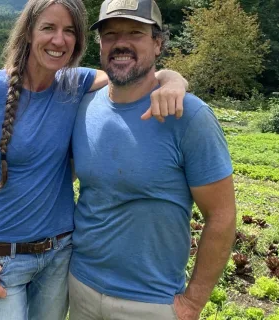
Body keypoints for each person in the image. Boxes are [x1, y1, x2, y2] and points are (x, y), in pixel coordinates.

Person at [0, 0, 188, 319]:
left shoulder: (77, 84)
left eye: (69, 31)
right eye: (48, 28)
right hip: (3, 259)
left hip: (59, 255)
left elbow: (130, 73)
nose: (59, 40)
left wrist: (172, 79)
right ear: (28, 33)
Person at [67, 1, 237, 319]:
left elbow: (222, 215)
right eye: (111, 34)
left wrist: (193, 304)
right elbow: (58, 176)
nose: (121, 43)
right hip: (80, 286)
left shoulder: (190, 116)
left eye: (135, 33)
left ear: (158, 43)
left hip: (150, 303)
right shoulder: (84, 106)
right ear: (100, 44)